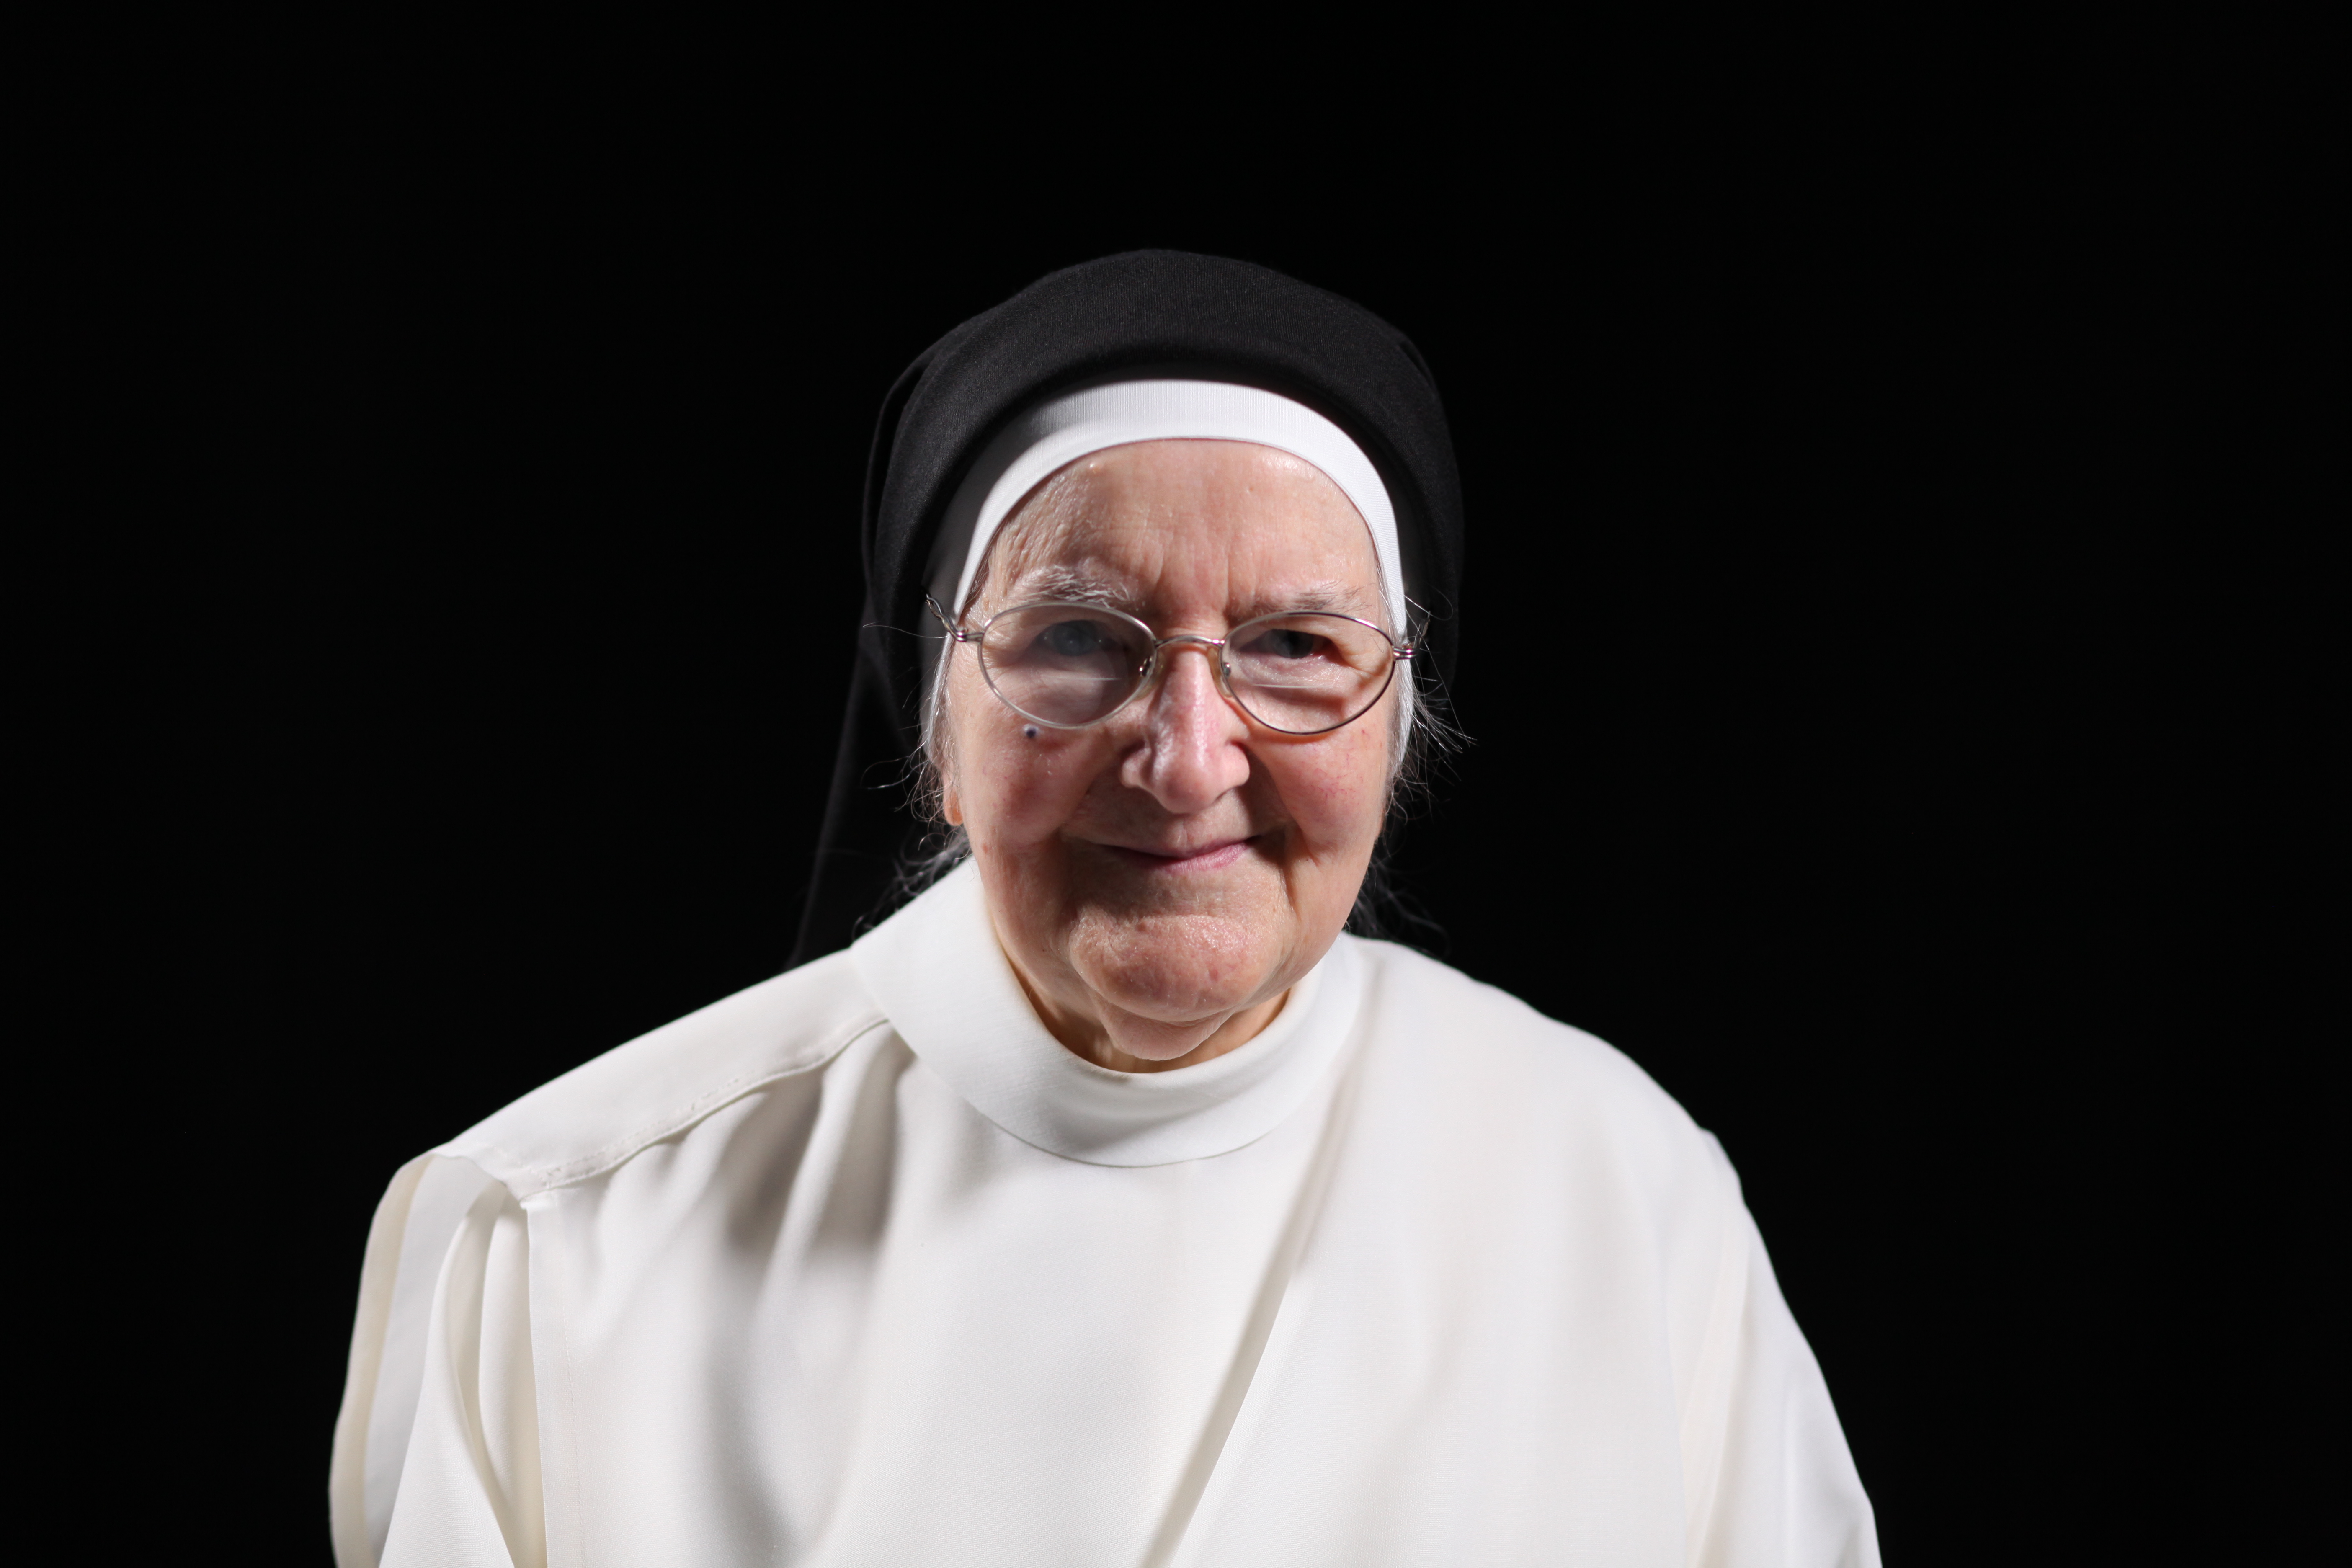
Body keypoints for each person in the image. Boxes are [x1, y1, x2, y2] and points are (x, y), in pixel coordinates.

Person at [329, 251, 1880, 1567]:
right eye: (1077, 637)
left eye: (1296, 646)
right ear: (935, 735)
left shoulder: (1624, 1192)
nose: (1189, 758)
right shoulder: (570, 1241)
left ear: (1401, 730)